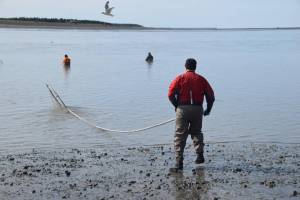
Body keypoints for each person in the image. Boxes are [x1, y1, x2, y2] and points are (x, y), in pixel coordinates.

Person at [168, 58, 215, 172]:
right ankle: (200, 155)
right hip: (198, 109)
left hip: (182, 109)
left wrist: (176, 106)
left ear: (185, 66)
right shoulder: (201, 79)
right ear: (195, 67)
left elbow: (170, 94)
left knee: (180, 135)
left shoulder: (180, 78)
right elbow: (211, 97)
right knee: (196, 132)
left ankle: (179, 163)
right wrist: (208, 110)